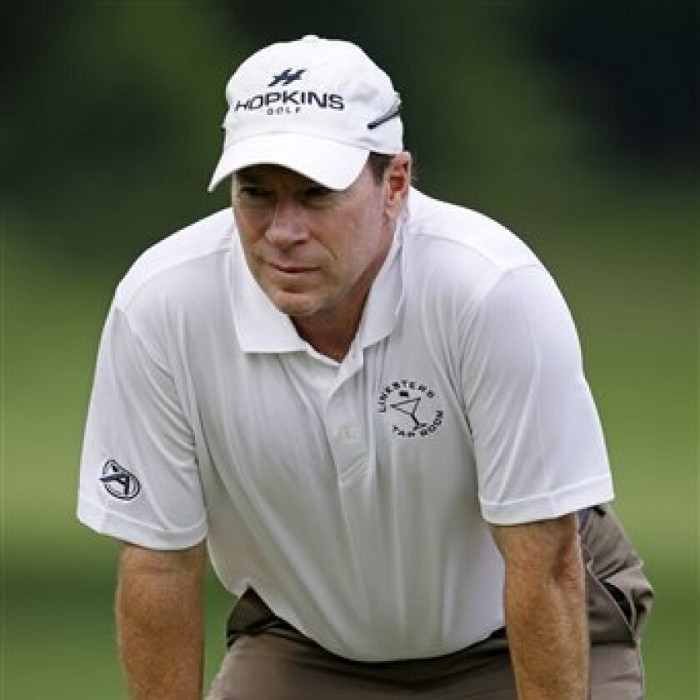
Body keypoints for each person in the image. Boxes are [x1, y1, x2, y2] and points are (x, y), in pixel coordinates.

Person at [77, 35, 653, 699]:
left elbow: (544, 559)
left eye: (316, 195)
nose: (283, 231)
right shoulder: (162, 305)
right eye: (256, 193)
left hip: (521, 622)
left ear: (395, 185)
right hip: (307, 641)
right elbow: (160, 566)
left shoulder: (489, 290)